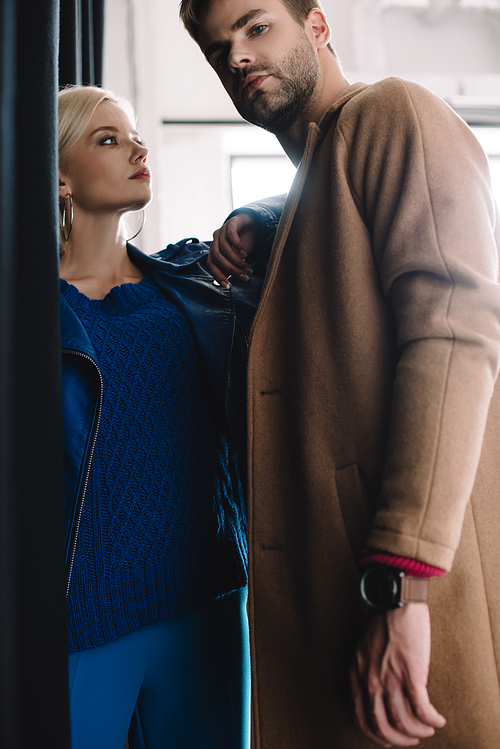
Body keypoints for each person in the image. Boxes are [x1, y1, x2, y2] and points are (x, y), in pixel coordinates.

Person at [179, 1, 500, 747]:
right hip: (330, 606)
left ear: (318, 26)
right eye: (217, 48)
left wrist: (402, 579)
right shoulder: (317, 174)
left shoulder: (395, 112)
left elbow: (454, 332)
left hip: (403, 597)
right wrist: (266, 213)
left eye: (256, 26)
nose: (236, 56)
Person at [58, 84, 275, 749]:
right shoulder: (29, 314)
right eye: (108, 139)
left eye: (134, 135)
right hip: (80, 619)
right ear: (59, 179)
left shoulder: (192, 276)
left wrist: (253, 218)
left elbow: (313, 204)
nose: (136, 147)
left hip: (205, 599)